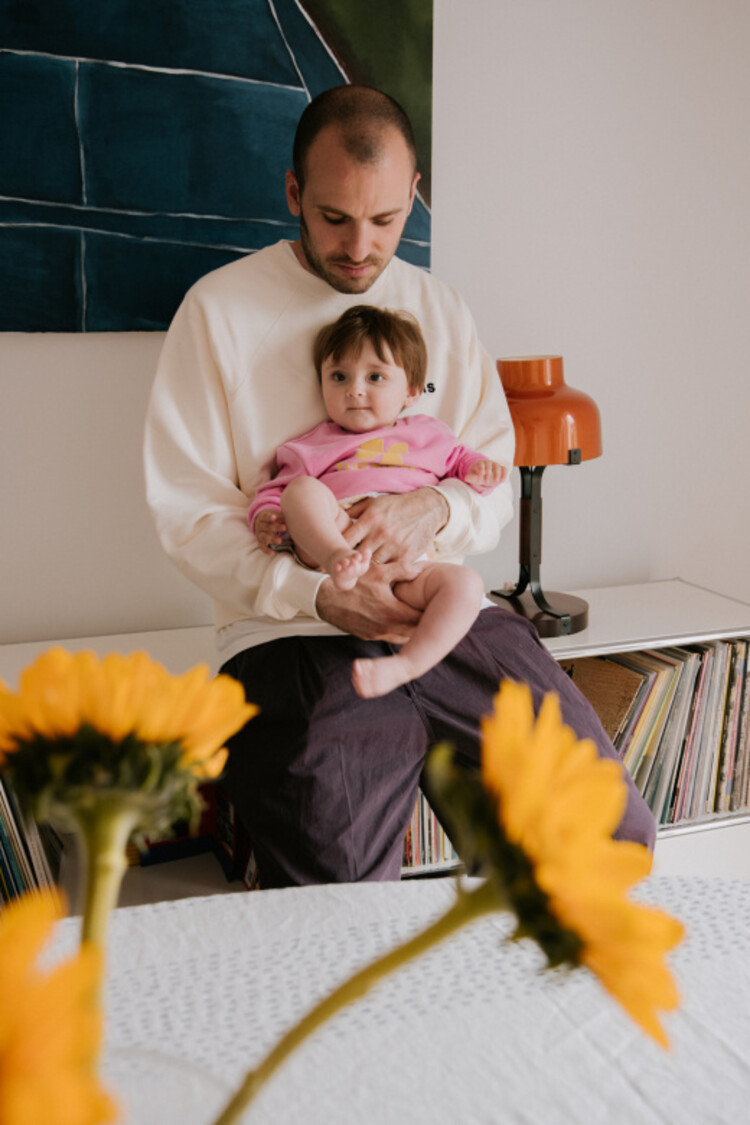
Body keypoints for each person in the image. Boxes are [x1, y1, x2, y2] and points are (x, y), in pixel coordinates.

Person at [144, 84, 655, 888]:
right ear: (293, 194)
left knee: (605, 833)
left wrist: (435, 505)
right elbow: (187, 516)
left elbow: (486, 476)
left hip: (450, 618)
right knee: (337, 894)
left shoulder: (439, 310)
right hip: (292, 636)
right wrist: (317, 595)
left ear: (413, 196)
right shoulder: (218, 312)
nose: (359, 247)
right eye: (334, 218)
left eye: (384, 221)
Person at [248, 304, 506, 699]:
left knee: (466, 585)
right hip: (335, 534)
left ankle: (406, 664)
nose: (354, 389)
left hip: (409, 563)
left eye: (374, 377)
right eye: (339, 377)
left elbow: (462, 465)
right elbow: (276, 491)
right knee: (301, 492)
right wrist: (265, 516)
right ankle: (339, 559)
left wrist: (480, 470)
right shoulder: (312, 444)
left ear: (412, 391)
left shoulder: (430, 435)